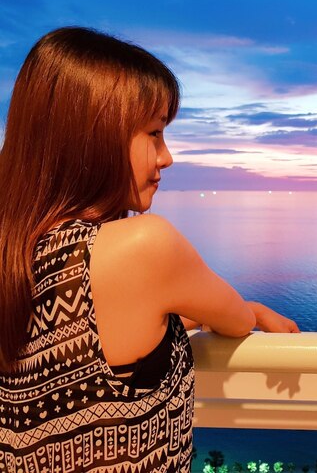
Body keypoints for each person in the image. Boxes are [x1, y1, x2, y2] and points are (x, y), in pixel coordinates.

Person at [0, 27, 299, 472]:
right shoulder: (145, 246)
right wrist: (252, 311)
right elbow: (235, 320)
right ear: (94, 137)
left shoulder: (18, 250)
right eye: (155, 134)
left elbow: (89, 334)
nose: (167, 157)